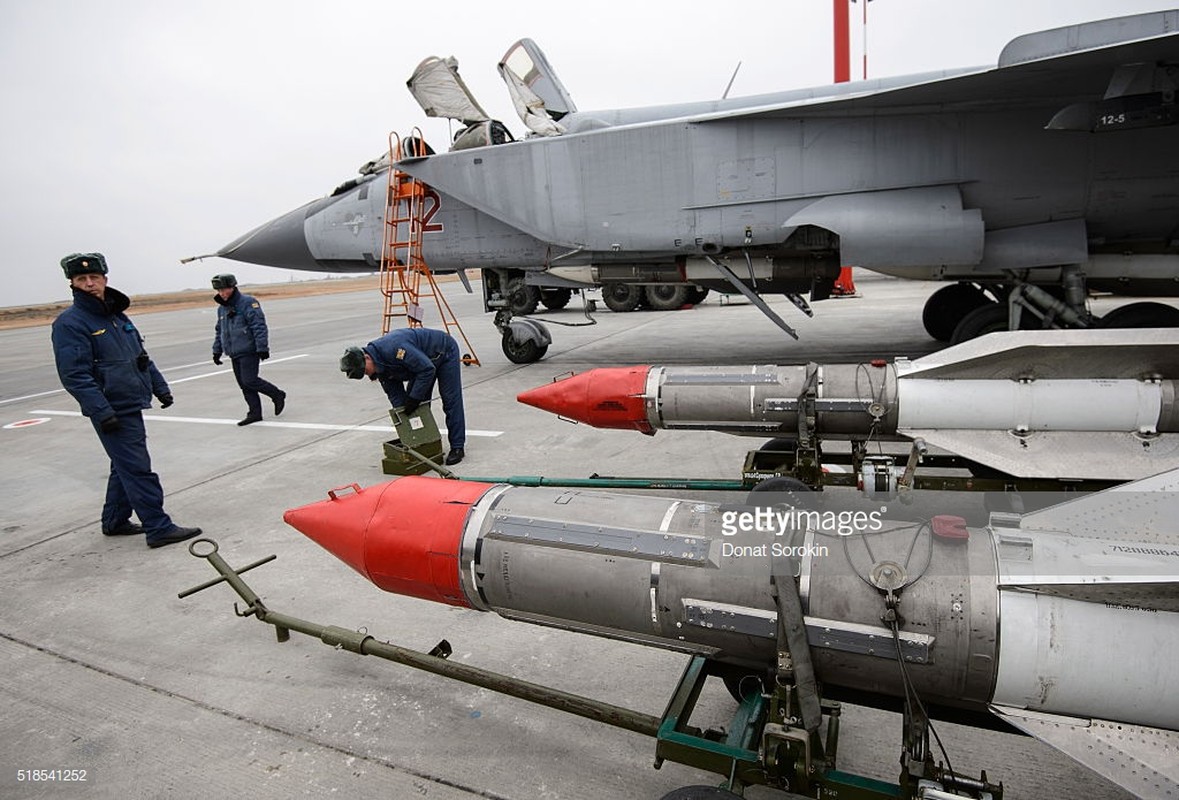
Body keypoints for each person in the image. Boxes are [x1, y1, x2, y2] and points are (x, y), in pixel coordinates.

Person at [51, 252, 202, 549]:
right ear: (73, 284)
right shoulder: (70, 323)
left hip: (130, 401)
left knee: (123, 465)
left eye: (94, 277)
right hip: (111, 408)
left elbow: (140, 357)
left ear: (105, 279)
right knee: (137, 468)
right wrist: (102, 411)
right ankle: (158, 527)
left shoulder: (116, 316)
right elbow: (74, 375)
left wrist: (160, 387)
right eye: (82, 279)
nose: (90, 283)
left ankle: (115, 521)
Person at [340, 328, 467, 465]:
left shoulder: (395, 349)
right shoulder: (379, 367)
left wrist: (414, 398)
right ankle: (423, 445)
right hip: (421, 365)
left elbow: (427, 369)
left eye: (365, 371)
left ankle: (457, 447)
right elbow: (395, 396)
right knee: (417, 408)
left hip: (443, 351)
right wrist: (404, 417)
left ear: (367, 358)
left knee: (450, 400)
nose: (368, 374)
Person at [211, 274, 286, 426]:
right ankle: (255, 413)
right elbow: (220, 331)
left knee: (250, 380)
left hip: (249, 350)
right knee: (244, 385)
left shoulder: (248, 303)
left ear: (232, 287)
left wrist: (262, 347)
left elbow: (258, 325)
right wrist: (217, 350)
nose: (221, 293)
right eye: (219, 290)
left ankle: (277, 394)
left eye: (224, 289)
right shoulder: (222, 309)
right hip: (234, 352)